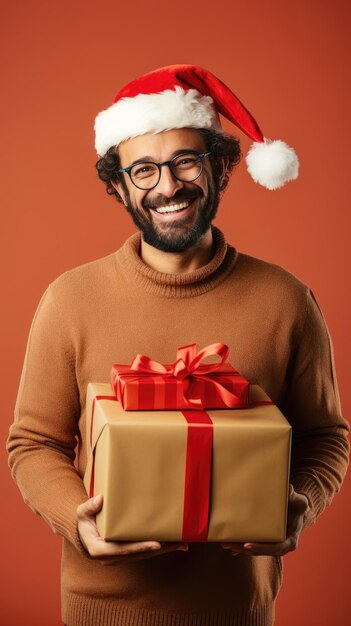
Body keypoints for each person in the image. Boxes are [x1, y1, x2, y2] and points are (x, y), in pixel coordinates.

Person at [7, 64, 349, 626]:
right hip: (101, 611)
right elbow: (33, 443)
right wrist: (77, 519)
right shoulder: (70, 299)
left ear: (219, 167)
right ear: (117, 186)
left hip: (236, 611)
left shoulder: (285, 300)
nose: (167, 186)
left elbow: (326, 437)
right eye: (143, 170)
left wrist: (300, 506)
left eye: (186, 160)